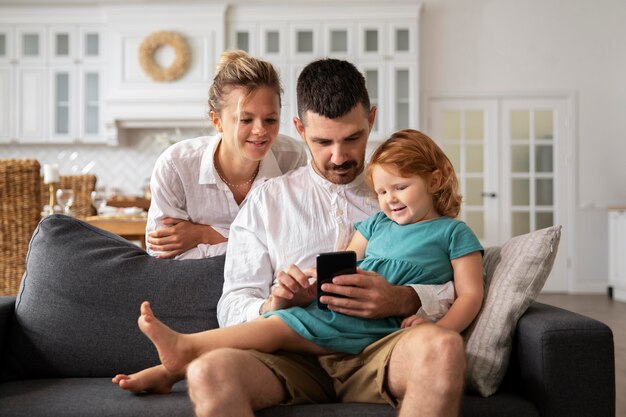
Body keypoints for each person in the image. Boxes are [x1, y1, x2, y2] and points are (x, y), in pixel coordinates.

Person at [182, 59, 476, 417]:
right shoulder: (267, 201)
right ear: (300, 130)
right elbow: (232, 305)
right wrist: (274, 304)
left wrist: (405, 299)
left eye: (352, 138)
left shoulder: (403, 195)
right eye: (323, 141)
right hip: (293, 354)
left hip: (383, 348)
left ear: (371, 121)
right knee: (207, 372)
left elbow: (455, 278)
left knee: (443, 348)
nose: (339, 157)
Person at [115, 129, 483, 380]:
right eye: (382, 192)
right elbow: (342, 264)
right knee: (276, 324)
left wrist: (438, 328)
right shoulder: (375, 225)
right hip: (341, 313)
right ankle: (171, 369)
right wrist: (307, 281)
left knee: (276, 329)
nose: (389, 200)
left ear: (435, 182)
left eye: (400, 187)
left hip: (378, 328)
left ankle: (185, 349)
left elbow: (470, 295)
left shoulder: (453, 233)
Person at [145, 50, 307, 259]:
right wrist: (257, 246)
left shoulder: (292, 158)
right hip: (192, 286)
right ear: (217, 121)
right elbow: (162, 253)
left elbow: (295, 244)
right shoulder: (176, 165)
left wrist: (204, 234)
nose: (260, 130)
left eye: (270, 120)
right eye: (246, 120)